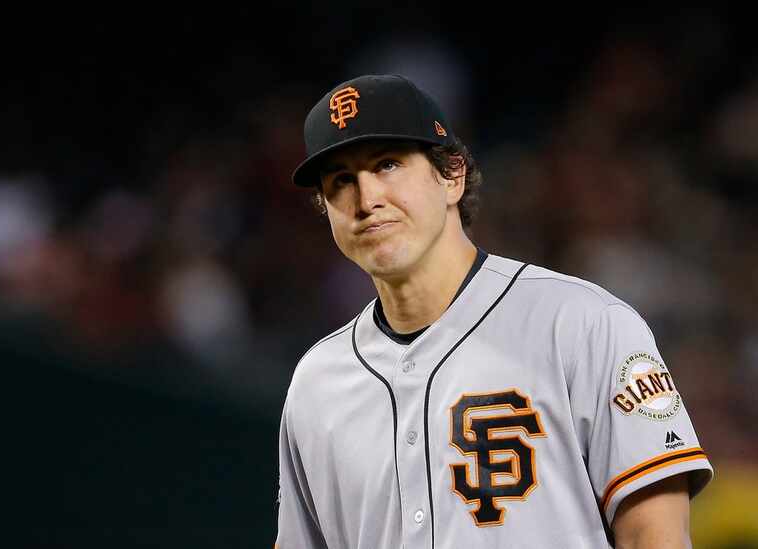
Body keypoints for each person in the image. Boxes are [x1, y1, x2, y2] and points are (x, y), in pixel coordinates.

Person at [275, 74, 712, 548]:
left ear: (451, 176)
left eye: (387, 165)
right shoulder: (316, 384)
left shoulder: (583, 324)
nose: (367, 199)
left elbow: (656, 537)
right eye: (341, 180)